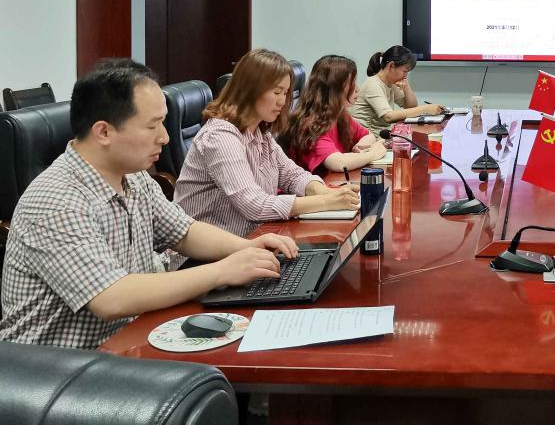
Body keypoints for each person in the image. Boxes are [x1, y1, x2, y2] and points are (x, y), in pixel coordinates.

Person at [0, 59, 298, 349]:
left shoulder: (134, 177)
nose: (165, 137)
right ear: (104, 132)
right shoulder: (56, 199)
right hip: (58, 366)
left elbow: (184, 231)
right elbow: (111, 297)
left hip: (130, 340)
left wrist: (246, 248)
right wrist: (222, 271)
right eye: (153, 126)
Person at [174, 49, 359, 239]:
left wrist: (324, 192)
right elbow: (254, 205)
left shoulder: (260, 132)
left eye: (285, 93)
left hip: (252, 239)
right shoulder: (220, 136)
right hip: (213, 250)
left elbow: (291, 175)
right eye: (277, 92)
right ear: (250, 90)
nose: (282, 101)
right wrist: (326, 202)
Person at [280, 54, 387, 177]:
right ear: (335, 87)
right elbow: (338, 163)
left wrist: (360, 147)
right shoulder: (310, 124)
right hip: (313, 187)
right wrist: (372, 154)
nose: (357, 88)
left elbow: (369, 135)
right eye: (352, 83)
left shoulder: (339, 115)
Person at [351, 45, 443, 137]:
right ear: (391, 65)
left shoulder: (391, 83)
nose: (405, 76)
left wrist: (406, 87)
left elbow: (411, 106)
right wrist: (425, 109)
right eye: (405, 71)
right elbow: (389, 117)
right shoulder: (373, 84)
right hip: (366, 138)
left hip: (380, 136)